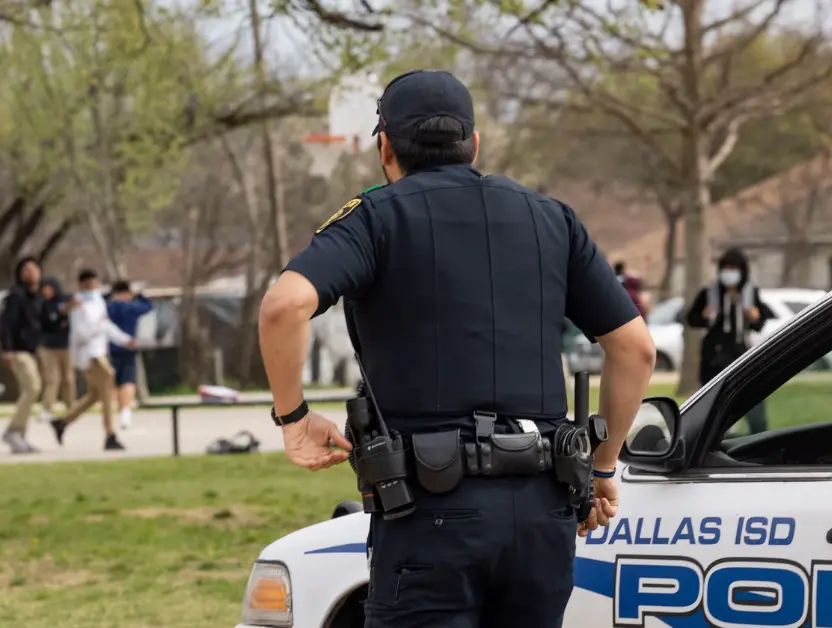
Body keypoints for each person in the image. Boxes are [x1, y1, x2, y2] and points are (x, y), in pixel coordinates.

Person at [257, 70, 656, 628]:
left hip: (430, 513)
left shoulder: (375, 217)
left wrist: (293, 417)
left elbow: (282, 306)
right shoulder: (552, 219)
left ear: (385, 146)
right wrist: (604, 464)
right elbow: (635, 350)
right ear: (474, 144)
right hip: (543, 514)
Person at [684, 247, 774, 434]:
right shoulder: (709, 293)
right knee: (713, 404)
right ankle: (716, 439)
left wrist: (755, 316)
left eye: (734, 269)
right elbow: (692, 319)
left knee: (752, 400)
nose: (730, 273)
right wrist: (704, 315)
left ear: (742, 271)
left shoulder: (750, 292)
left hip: (740, 352)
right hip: (713, 356)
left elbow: (760, 322)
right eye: (726, 268)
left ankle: (758, 436)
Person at [50, 269, 136, 451]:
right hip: (88, 354)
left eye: (94, 284)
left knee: (96, 394)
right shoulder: (78, 305)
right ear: (81, 285)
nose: (92, 288)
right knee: (108, 380)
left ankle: (63, 421)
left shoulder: (98, 301)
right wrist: (98, 326)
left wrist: (124, 339)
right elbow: (82, 333)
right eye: (87, 285)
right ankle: (110, 434)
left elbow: (106, 326)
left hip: (99, 352)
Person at [0, 256, 47, 454]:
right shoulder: (16, 296)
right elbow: (5, 325)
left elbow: (43, 323)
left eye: (34, 268)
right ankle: (12, 431)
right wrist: (6, 349)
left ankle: (20, 437)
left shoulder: (38, 297)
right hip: (18, 350)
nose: (31, 272)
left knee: (30, 390)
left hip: (31, 350)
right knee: (33, 388)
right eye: (26, 269)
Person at [106, 280, 152, 430]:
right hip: (129, 346)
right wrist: (139, 294)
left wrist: (107, 294)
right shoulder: (132, 307)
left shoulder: (109, 307)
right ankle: (125, 411)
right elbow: (148, 306)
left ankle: (121, 409)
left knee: (116, 382)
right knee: (128, 381)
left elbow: (99, 301)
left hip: (110, 348)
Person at [37, 277, 75, 421]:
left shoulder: (66, 300)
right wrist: (60, 316)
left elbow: (72, 318)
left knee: (69, 378)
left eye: (49, 288)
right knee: (52, 379)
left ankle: (71, 407)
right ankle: (47, 407)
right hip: (48, 347)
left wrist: (66, 317)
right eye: (44, 289)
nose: (46, 292)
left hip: (66, 345)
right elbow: (46, 322)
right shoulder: (43, 304)